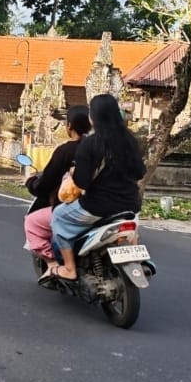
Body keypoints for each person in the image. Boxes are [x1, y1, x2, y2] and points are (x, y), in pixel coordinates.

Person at [41, 93, 146, 286]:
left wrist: (74, 173)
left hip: (97, 206)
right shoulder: (131, 141)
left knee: (58, 217)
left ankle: (69, 268)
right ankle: (137, 258)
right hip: (130, 205)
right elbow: (140, 172)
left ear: (94, 117)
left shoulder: (91, 144)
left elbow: (82, 184)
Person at [23, 105, 91, 267]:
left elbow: (47, 183)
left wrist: (31, 182)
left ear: (69, 126)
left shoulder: (66, 151)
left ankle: (54, 264)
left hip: (79, 207)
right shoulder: (101, 148)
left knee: (32, 222)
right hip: (112, 206)